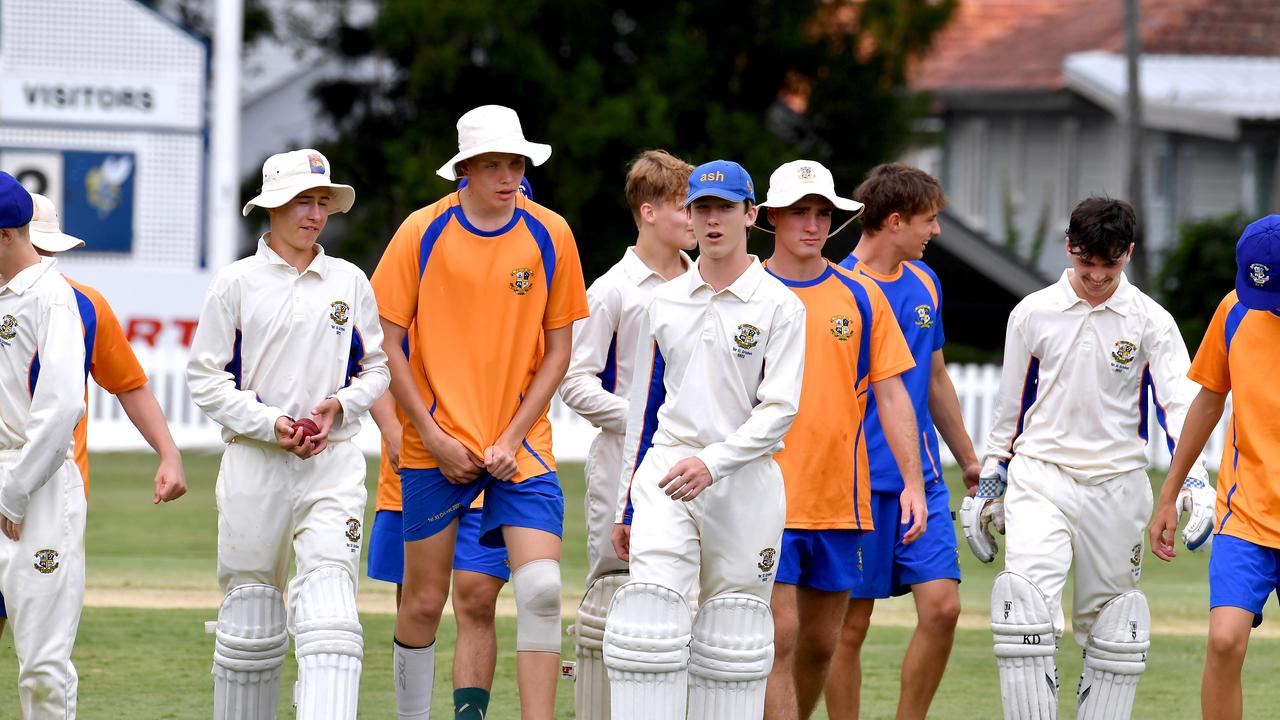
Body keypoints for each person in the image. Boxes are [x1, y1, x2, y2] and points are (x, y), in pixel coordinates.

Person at [372, 105, 588, 720]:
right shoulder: (421, 230)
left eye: (515, 163)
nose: (507, 175)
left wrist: (515, 436)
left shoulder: (553, 232)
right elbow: (386, 342)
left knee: (542, 591)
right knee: (421, 601)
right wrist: (433, 436)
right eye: (492, 164)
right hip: (433, 449)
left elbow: (559, 351)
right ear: (463, 169)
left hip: (525, 448)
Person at [964, 196, 1211, 720]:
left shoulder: (1151, 321)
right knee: (1024, 611)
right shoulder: (1032, 312)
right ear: (1070, 249)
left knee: (1114, 630)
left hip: (1118, 484)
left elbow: (1180, 406)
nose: (1097, 277)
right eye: (1087, 264)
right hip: (1040, 478)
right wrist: (990, 483)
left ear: (1130, 253)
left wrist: (1194, 484)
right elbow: (1011, 410)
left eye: (1111, 265)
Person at [188, 149, 389, 719]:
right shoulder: (236, 283)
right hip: (255, 464)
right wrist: (270, 424)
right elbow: (204, 379)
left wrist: (339, 407)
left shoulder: (349, 280)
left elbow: (376, 369)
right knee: (250, 617)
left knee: (331, 617)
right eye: (305, 201)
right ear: (272, 206)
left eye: (323, 202)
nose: (316, 213)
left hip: (333, 462)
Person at [604, 159, 807, 720]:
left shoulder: (781, 306)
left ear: (751, 214)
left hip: (743, 481)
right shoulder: (662, 301)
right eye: (701, 209)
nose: (712, 220)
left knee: (731, 640)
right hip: (667, 472)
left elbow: (780, 411)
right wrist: (627, 502)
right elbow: (644, 409)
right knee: (652, 624)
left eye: (724, 208)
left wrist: (714, 463)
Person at [755, 160, 924, 720]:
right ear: (772, 218)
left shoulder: (861, 295)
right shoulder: (746, 292)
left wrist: (912, 484)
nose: (812, 224)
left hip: (839, 501)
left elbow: (895, 396)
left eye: (822, 213)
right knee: (777, 638)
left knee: (821, 644)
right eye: (799, 212)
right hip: (765, 498)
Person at [366, 177, 532, 720]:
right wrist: (398, 437)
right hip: (417, 465)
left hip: (495, 467)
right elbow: (375, 360)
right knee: (417, 602)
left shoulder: (534, 269)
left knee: (478, 599)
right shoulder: (426, 246)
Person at [825, 163, 978, 720]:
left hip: (924, 480)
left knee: (942, 608)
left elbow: (934, 379)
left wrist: (968, 458)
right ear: (894, 222)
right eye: (928, 221)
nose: (935, 232)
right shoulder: (836, 288)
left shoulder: (926, 283)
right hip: (858, 482)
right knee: (850, 624)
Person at [0, 192, 188, 638]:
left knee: (41, 644)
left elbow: (129, 385)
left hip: (50, 485)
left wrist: (169, 453)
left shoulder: (81, 303)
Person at [558, 148, 694, 720]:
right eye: (684, 207)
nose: (696, 219)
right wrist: (640, 421)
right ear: (648, 212)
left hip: (691, 467)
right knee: (614, 597)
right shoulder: (613, 288)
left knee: (683, 599)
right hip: (620, 465)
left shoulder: (703, 282)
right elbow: (574, 380)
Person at [1148, 215, 1280, 720]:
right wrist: (1169, 493)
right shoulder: (1233, 310)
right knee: (1225, 641)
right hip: (1244, 513)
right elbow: (1207, 402)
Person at [0, 171, 88, 717]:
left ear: (8, 234)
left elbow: (62, 407)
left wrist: (14, 490)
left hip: (38, 487)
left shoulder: (51, 297)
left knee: (42, 668)